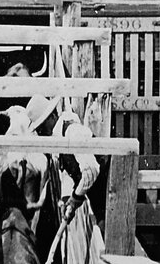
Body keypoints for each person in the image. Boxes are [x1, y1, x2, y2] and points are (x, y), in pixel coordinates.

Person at [25, 94, 103, 222]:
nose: (41, 133)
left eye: (42, 127)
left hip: (109, 190)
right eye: (38, 130)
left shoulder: (73, 132)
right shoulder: (59, 140)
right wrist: (67, 199)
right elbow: (68, 173)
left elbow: (92, 170)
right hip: (97, 196)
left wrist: (75, 198)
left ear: (53, 116)